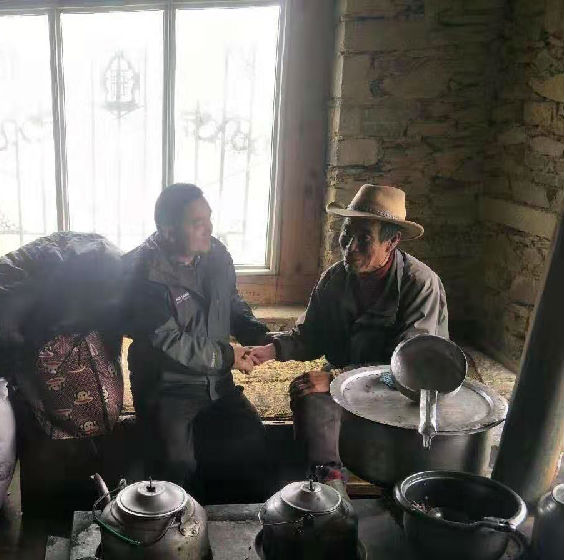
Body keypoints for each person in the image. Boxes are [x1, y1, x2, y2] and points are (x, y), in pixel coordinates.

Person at [250, 184, 448, 493]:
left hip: (399, 391)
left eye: (364, 238)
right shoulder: (335, 278)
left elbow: (409, 369)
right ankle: (328, 484)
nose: (350, 247)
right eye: (346, 234)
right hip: (345, 382)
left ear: (392, 242)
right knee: (306, 391)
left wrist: (335, 379)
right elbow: (311, 336)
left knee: (405, 431)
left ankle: (400, 488)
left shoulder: (420, 284)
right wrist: (271, 350)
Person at [123, 183, 278, 503]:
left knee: (252, 439)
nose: (209, 228)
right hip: (167, 386)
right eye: (198, 223)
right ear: (168, 232)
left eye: (209, 218)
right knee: (176, 464)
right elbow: (168, 340)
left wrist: (256, 333)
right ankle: (177, 526)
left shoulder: (215, 253)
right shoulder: (144, 274)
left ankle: (240, 520)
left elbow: (230, 301)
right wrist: (228, 356)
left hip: (216, 381)